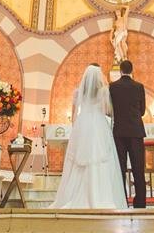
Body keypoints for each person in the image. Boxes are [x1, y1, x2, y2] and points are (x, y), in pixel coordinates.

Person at [50, 65, 127, 209]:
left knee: (79, 162)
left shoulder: (78, 92)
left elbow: (74, 114)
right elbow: (107, 110)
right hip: (98, 124)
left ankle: (74, 196)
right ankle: (99, 194)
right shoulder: (104, 91)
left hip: (83, 124)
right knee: (99, 159)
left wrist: (76, 130)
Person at [109, 59, 146, 208]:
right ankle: (140, 203)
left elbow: (110, 109)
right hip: (136, 131)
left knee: (120, 169)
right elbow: (142, 111)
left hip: (119, 132)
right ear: (132, 70)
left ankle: (122, 202)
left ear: (120, 70)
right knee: (138, 168)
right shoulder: (139, 86)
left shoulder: (112, 87)